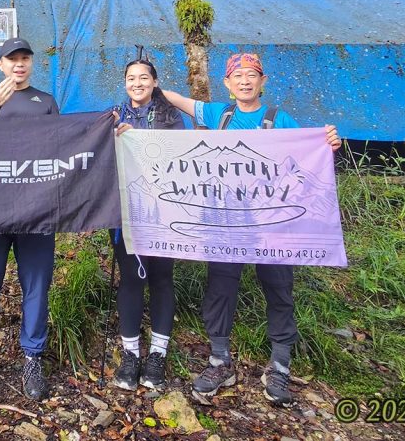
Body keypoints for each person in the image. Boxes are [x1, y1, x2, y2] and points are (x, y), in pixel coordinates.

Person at [161, 52, 341, 407]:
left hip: (273, 225)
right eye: (238, 76)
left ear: (263, 81)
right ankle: (219, 361)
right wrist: (146, 85)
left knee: (279, 288)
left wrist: (328, 143)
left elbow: (308, 158)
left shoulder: (280, 119)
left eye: (252, 75)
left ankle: (279, 365)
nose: (245, 81)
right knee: (220, 288)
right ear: (227, 83)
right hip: (228, 223)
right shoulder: (219, 115)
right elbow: (176, 99)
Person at [0, 37, 60, 402]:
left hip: (37, 211)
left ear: (31, 63)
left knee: (37, 285)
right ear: (0, 64)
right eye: (12, 59)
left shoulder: (45, 102)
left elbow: (62, 148)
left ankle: (33, 358)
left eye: (25, 58)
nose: (19, 64)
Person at [109, 58, 185, 391]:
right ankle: (130, 355)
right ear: (124, 83)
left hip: (164, 212)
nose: (137, 83)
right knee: (130, 278)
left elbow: (180, 156)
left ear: (154, 82)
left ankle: (157, 354)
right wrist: (113, 136)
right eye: (131, 78)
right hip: (125, 211)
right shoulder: (114, 115)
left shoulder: (171, 116)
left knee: (161, 278)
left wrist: (139, 138)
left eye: (143, 77)